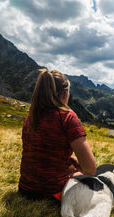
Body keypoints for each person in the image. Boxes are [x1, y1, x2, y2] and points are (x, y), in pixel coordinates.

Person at [18, 68, 96, 201]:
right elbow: (90, 168)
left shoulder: (30, 118)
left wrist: (71, 161)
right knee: (105, 171)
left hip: (25, 189)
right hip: (53, 193)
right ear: (65, 93)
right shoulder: (67, 117)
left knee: (73, 167)